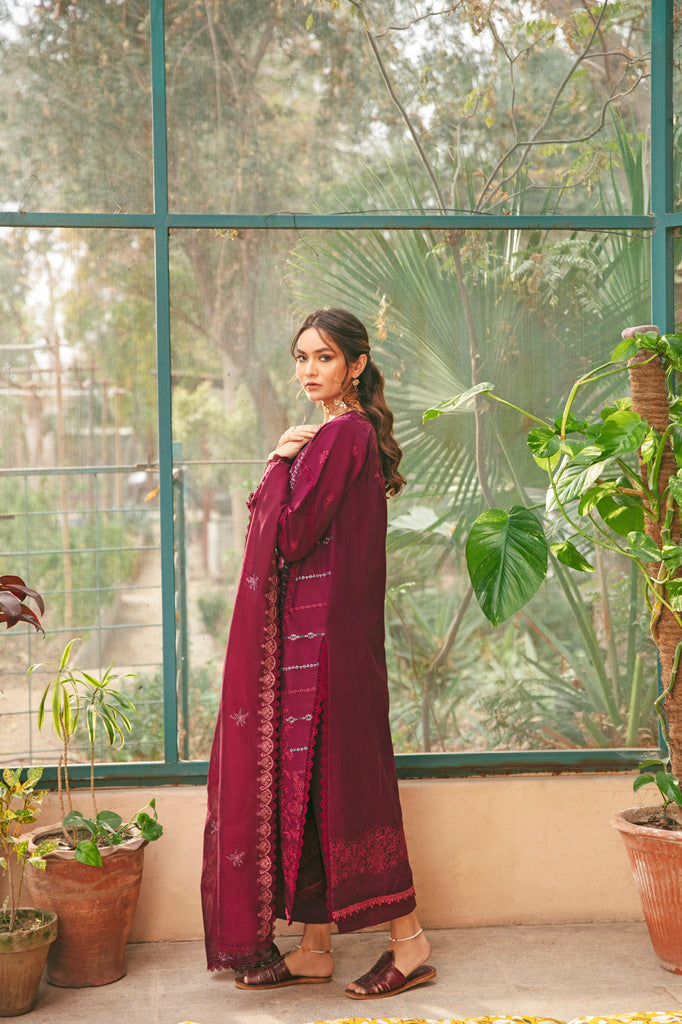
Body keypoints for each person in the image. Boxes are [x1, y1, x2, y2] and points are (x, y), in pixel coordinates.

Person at [201, 308, 436, 999]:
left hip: (330, 649)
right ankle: (313, 947)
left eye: (324, 357)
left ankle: (410, 943)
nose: (309, 370)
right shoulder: (342, 435)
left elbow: (294, 535)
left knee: (352, 793)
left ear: (356, 365)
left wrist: (278, 463)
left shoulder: (341, 435)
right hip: (324, 643)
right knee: (308, 794)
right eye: (301, 357)